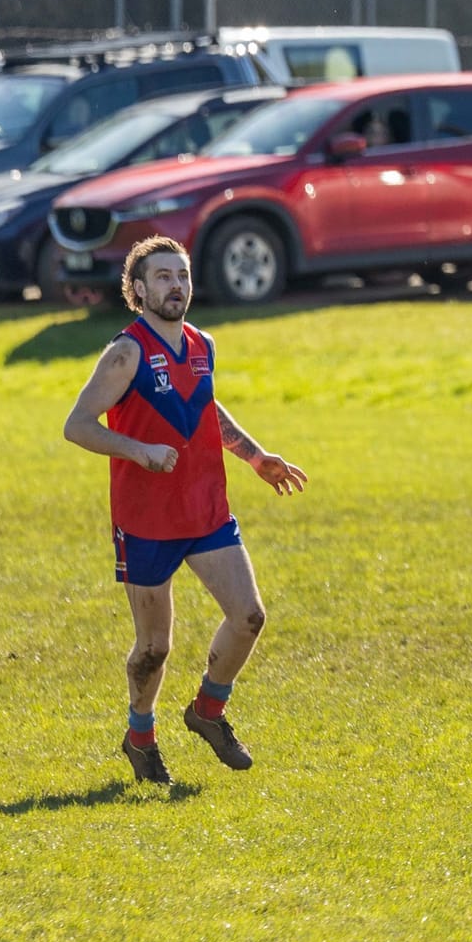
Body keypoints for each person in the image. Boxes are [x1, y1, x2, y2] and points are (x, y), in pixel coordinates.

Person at [61, 236, 308, 785]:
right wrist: (138, 450)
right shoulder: (125, 352)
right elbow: (76, 425)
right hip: (146, 521)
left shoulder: (202, 344)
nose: (177, 286)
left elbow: (202, 404)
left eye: (183, 275)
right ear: (138, 289)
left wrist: (253, 455)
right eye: (164, 277)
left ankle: (207, 711)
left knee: (249, 617)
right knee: (154, 647)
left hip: (206, 510)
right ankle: (140, 735)